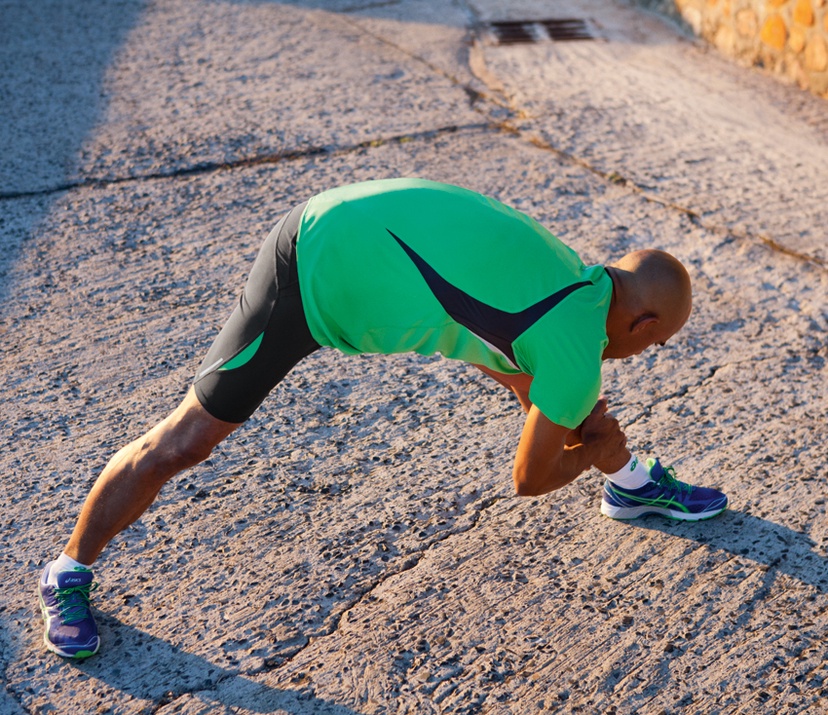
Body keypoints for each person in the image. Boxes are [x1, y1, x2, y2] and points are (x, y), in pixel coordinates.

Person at [38, 178, 728, 659]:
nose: (644, 354)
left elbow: (531, 374)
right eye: (654, 344)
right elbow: (528, 477)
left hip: (351, 224)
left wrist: (590, 432)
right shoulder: (575, 351)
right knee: (182, 443)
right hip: (310, 273)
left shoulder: (571, 274)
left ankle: (633, 484)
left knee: (551, 392)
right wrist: (580, 455)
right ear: (641, 321)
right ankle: (65, 573)